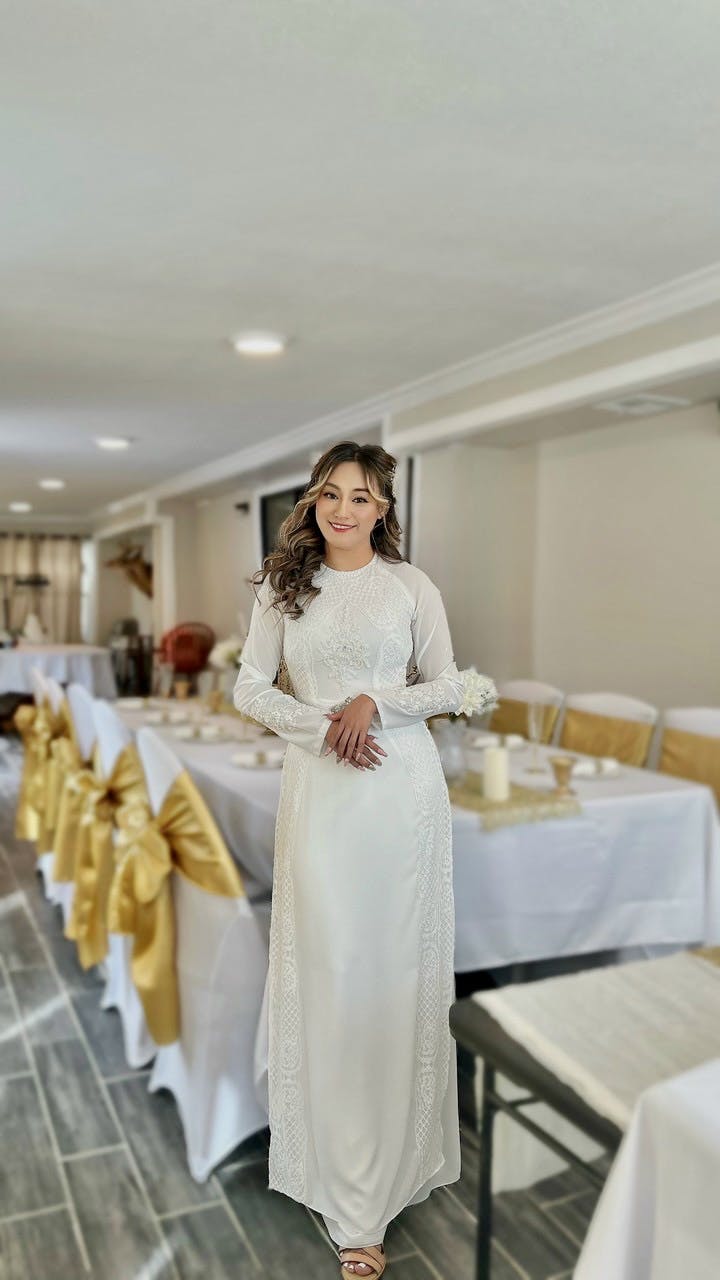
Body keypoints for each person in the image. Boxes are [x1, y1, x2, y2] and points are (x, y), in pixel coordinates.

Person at [233, 440, 497, 1278]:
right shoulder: (284, 588)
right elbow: (248, 687)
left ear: (383, 510)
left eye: (361, 497)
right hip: (322, 790)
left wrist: (371, 704)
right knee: (332, 969)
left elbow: (448, 683)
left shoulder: (412, 586)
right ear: (313, 502)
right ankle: (334, 1168)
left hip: (401, 796)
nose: (343, 510)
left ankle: (372, 1199)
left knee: (392, 971)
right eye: (331, 495)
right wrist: (325, 725)